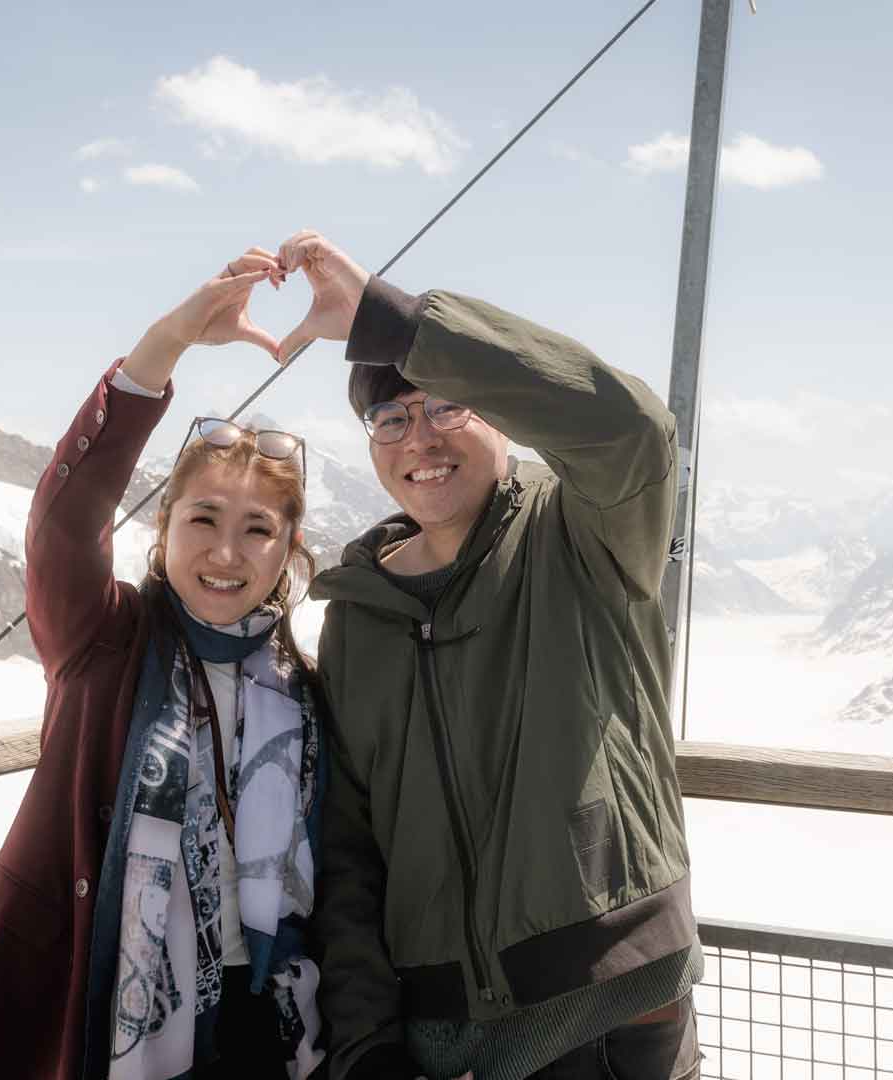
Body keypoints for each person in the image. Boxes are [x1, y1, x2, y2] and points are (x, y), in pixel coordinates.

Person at [280, 229, 700, 1080]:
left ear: (500, 418)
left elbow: (634, 433)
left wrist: (394, 323)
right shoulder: (357, 617)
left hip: (613, 1007)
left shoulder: (580, 534)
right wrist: (367, 1043)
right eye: (390, 418)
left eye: (446, 406)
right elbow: (350, 847)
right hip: (444, 1035)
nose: (419, 440)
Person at [0, 249, 330, 1080]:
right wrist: (164, 347)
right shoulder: (104, 639)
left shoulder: (302, 685)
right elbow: (65, 521)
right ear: (164, 525)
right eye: (203, 519)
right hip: (109, 1018)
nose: (225, 551)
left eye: (257, 529)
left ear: (289, 549)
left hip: (271, 1031)